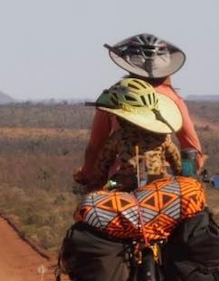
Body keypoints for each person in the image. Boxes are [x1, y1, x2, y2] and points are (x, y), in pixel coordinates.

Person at [72, 78, 184, 281]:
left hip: (123, 197)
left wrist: (93, 184)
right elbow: (178, 163)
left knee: (114, 241)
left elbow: (100, 166)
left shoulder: (118, 138)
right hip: (159, 197)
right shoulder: (162, 137)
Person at [75, 33, 207, 186]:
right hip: (161, 182)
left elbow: (95, 147)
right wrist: (187, 178)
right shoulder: (173, 100)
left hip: (118, 183)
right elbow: (191, 148)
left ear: (129, 63)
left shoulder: (114, 96)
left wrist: (87, 176)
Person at [77, 77, 182, 193]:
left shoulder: (119, 136)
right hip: (158, 180)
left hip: (124, 182)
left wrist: (96, 183)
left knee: (108, 187)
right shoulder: (162, 138)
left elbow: (104, 161)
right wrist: (181, 176)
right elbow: (175, 159)